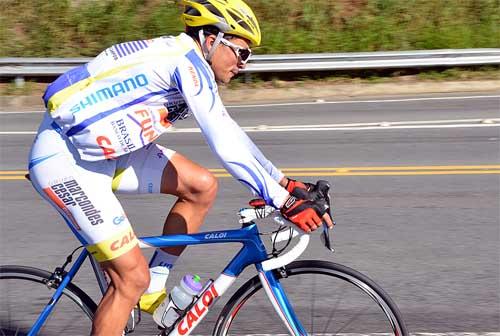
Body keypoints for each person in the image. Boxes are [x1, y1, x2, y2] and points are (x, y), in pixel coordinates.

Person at [27, 0, 333, 334]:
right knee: (130, 279)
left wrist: (282, 183)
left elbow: (230, 131)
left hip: (106, 154)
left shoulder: (187, 61)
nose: (244, 64)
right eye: (241, 52)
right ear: (210, 38)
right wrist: (283, 201)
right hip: (67, 163)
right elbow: (222, 140)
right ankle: (140, 287)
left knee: (200, 186)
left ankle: (153, 290)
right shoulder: (184, 63)